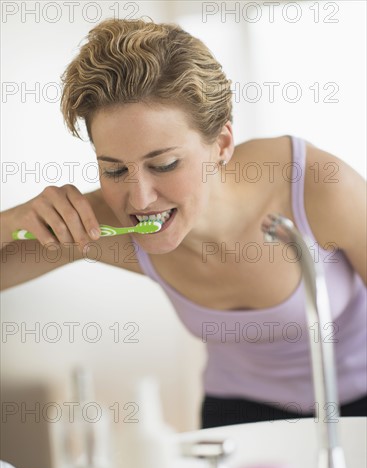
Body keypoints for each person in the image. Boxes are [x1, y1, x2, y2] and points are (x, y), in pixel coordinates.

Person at [1, 18, 366, 428]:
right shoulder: (99, 224)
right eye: (115, 170)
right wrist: (10, 220)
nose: (139, 200)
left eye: (165, 164)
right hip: (237, 412)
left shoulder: (317, 187)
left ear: (222, 144)